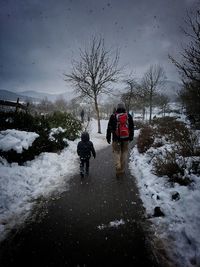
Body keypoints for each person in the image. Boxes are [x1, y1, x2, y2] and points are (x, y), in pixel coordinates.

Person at [106, 103, 134, 178]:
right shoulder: (128, 116)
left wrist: (108, 137)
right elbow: (131, 127)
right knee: (124, 153)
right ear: (124, 108)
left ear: (117, 108)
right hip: (125, 139)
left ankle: (117, 166)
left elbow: (109, 127)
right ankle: (121, 170)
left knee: (116, 153)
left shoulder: (113, 116)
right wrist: (131, 137)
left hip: (116, 139)